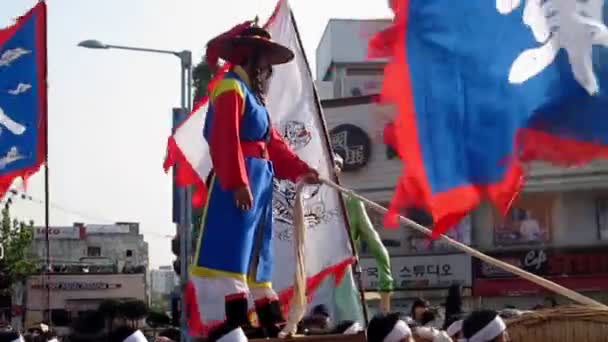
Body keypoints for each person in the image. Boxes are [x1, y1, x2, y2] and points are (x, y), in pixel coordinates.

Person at [193, 22, 319, 340]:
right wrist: (237, 182)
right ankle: (237, 321)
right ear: (249, 57)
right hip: (241, 178)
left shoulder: (255, 99)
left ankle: (268, 316)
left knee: (258, 252)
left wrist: (302, 171)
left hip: (261, 178)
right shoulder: (230, 87)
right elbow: (224, 138)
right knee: (233, 250)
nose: (268, 70)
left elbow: (274, 144)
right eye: (264, 61)